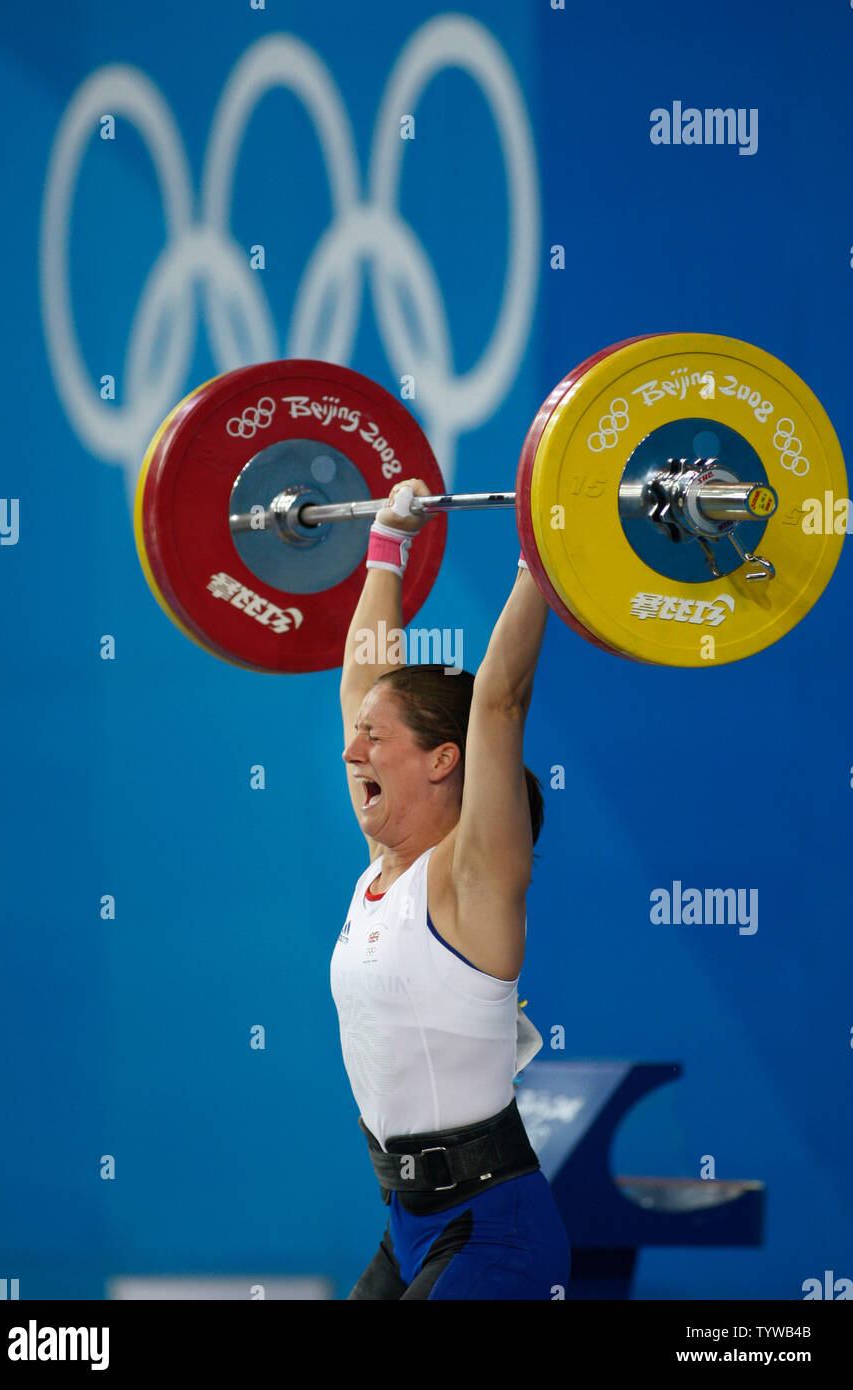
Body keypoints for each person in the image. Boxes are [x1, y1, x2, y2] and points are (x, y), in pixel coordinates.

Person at [331, 477, 571, 1300]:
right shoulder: (380, 864)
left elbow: (499, 702)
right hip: (409, 1224)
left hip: (490, 1226)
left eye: (373, 738)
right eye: (356, 734)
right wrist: (385, 546)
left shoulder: (469, 880)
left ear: (442, 759)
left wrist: (545, 549)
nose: (349, 751)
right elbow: (359, 681)